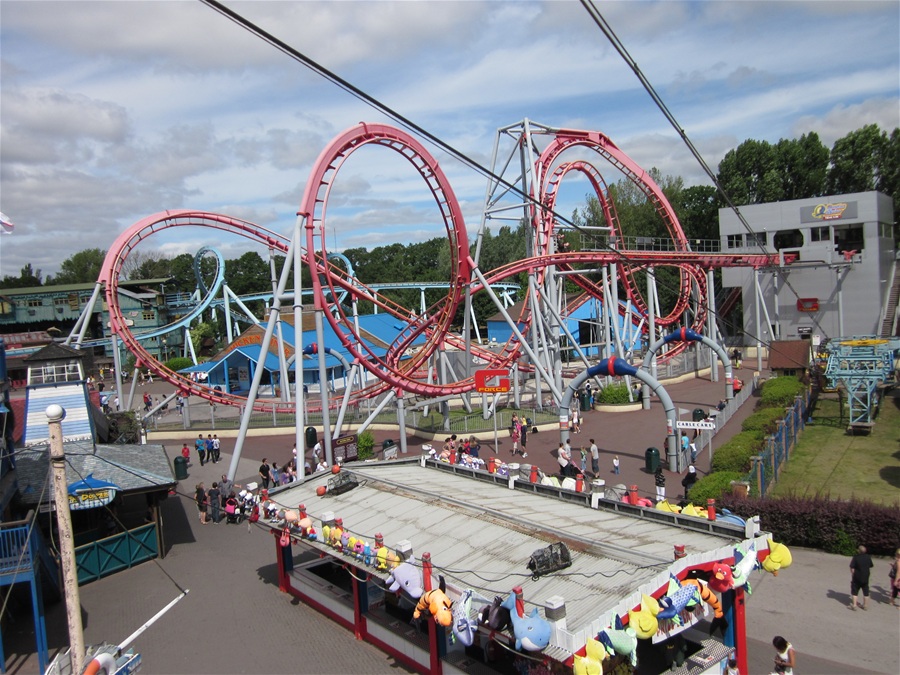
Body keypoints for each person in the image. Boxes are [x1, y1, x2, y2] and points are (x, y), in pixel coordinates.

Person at [849, 544, 874, 610]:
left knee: (855, 591)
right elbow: (871, 565)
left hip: (857, 576)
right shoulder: (868, 557)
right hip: (865, 577)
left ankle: (854, 605)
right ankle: (865, 605)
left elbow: (852, 567)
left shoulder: (856, 557)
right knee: (866, 591)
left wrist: (853, 573)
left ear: (858, 551)